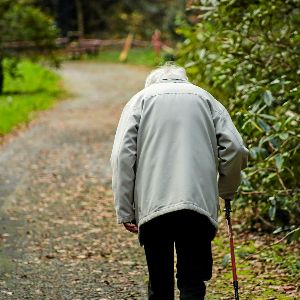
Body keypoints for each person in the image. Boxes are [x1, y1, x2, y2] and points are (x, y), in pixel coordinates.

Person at [110, 62, 248, 299]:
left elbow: (122, 155)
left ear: (153, 82)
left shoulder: (140, 100)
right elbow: (235, 149)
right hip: (198, 207)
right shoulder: (206, 99)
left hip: (153, 208)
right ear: (183, 79)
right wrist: (226, 190)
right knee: (192, 281)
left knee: (159, 285)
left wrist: (125, 210)